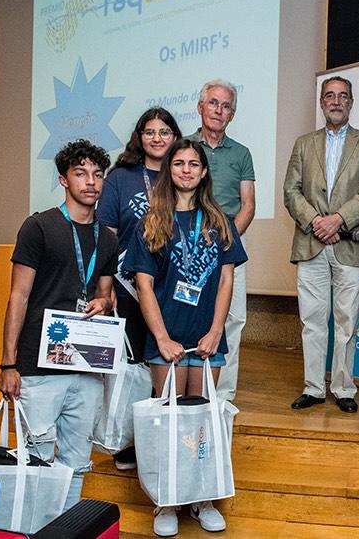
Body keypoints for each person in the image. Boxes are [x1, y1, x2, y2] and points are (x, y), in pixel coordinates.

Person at [124, 138, 247, 536]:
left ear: (204, 171)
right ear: (168, 170)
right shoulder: (153, 222)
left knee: (202, 425)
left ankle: (203, 499)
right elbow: (143, 284)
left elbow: (226, 278)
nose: (187, 170)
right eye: (179, 163)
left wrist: (216, 331)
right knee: (169, 421)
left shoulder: (220, 220)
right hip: (168, 341)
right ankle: (166, 502)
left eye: (195, 163)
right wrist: (161, 339)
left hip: (207, 341)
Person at [0, 139, 117, 509]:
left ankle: (67, 527)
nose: (91, 182)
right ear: (64, 179)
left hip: (86, 365)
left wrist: (103, 301)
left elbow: (106, 296)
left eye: (97, 174)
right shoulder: (39, 227)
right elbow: (18, 296)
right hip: (38, 365)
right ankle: (35, 528)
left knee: (77, 463)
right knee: (35, 461)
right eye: (81, 173)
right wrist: (8, 363)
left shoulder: (108, 239)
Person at [283, 75, 359, 413]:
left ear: (351, 102)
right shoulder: (303, 143)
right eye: (329, 95)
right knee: (312, 320)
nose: (336, 101)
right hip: (310, 243)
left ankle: (343, 388)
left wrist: (337, 219)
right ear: (321, 102)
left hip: (350, 242)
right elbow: (290, 191)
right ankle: (313, 387)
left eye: (343, 96)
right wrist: (315, 222)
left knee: (346, 321)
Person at [96, 107, 182, 471]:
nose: (158, 138)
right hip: (129, 284)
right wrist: (107, 284)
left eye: (165, 131)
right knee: (135, 365)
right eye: (150, 132)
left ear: (174, 136)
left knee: (166, 358)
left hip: (174, 285)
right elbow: (108, 233)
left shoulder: (182, 171)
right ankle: (131, 440)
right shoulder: (121, 177)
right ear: (139, 136)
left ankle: (164, 439)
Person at [186, 79, 255, 403]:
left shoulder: (242, 153)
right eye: (213, 103)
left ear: (233, 114)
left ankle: (222, 396)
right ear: (201, 107)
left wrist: (225, 242)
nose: (219, 110)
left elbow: (248, 204)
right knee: (187, 314)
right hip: (186, 250)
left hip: (228, 248)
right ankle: (187, 390)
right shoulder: (183, 148)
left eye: (226, 106)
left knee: (232, 319)